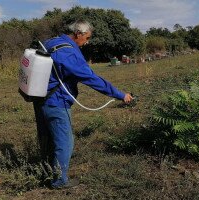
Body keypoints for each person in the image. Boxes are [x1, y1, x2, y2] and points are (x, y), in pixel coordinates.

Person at [33, 19, 133, 189]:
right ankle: (58, 181)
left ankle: (45, 170)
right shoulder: (68, 53)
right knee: (65, 142)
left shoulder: (53, 42)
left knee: (47, 138)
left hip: (39, 99)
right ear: (78, 34)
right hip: (57, 102)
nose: (87, 42)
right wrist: (120, 94)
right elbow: (91, 78)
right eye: (86, 38)